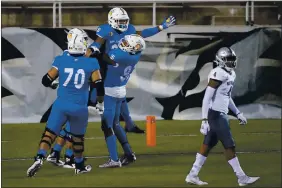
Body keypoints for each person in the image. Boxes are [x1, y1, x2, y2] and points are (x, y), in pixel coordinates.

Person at [86, 7, 176, 133]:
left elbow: (143, 34)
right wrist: (89, 52)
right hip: (106, 64)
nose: (123, 24)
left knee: (119, 94)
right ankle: (118, 122)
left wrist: (161, 27)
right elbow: (97, 43)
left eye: (124, 21)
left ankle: (124, 124)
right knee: (109, 94)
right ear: (112, 20)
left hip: (119, 64)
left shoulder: (130, 29)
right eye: (120, 21)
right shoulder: (106, 29)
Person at [27, 35, 103, 177]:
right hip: (79, 107)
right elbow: (99, 86)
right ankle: (79, 166)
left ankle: (40, 157)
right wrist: (100, 102)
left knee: (49, 134)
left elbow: (45, 80)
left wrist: (55, 83)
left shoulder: (61, 60)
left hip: (61, 105)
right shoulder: (92, 63)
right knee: (78, 138)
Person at [185, 47, 260, 186]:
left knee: (207, 146)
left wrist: (237, 113)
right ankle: (241, 178)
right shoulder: (218, 73)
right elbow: (206, 98)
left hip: (219, 114)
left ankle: (192, 175)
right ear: (220, 60)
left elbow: (227, 96)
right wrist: (204, 120)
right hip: (216, 115)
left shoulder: (230, 74)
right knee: (229, 146)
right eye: (228, 60)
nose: (231, 62)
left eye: (232, 59)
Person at [46, 28, 92, 169]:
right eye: (83, 39)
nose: (85, 41)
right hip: (76, 98)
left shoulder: (66, 55)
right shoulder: (75, 55)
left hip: (72, 96)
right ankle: (69, 157)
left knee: (69, 128)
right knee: (74, 129)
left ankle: (55, 153)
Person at [98, 34, 146, 168]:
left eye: (126, 44)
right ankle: (129, 153)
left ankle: (114, 159)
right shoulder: (135, 56)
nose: (123, 44)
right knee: (116, 124)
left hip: (111, 91)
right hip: (120, 90)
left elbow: (104, 57)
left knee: (107, 126)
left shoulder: (120, 55)